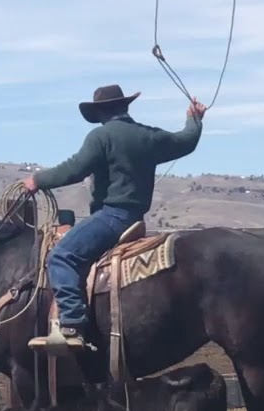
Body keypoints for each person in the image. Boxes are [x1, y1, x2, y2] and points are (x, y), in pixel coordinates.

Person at [22, 84, 207, 349]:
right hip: (135, 218)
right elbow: (185, 141)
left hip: (111, 217)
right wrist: (194, 120)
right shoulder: (147, 136)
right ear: (125, 106)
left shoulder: (101, 137)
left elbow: (75, 169)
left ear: (100, 112)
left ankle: (72, 324)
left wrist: (38, 180)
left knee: (61, 256)